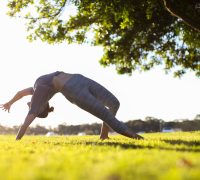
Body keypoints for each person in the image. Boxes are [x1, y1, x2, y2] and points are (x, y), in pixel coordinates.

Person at [0, 71, 143, 140]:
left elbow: (20, 93)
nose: (29, 105)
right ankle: (135, 136)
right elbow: (25, 124)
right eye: (32, 108)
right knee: (104, 113)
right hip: (74, 91)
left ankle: (104, 135)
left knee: (114, 103)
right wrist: (17, 140)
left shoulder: (37, 89)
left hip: (79, 78)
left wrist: (10, 102)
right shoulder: (38, 99)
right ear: (41, 108)